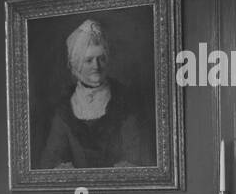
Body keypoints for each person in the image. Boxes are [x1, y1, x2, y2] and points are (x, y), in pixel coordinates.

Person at [38, 19, 154, 170]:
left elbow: (138, 156)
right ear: (77, 64)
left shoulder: (124, 100)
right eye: (89, 60)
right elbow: (51, 159)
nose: (96, 66)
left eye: (101, 58)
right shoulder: (64, 107)